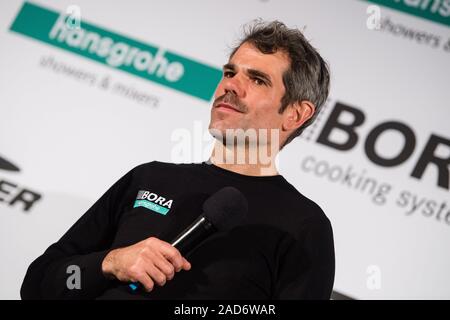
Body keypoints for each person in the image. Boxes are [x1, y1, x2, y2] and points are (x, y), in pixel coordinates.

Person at [21, 20, 334, 300]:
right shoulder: (148, 178)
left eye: (257, 80)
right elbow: (38, 285)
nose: (230, 85)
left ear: (295, 114)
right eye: (229, 72)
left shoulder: (304, 226)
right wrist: (110, 263)